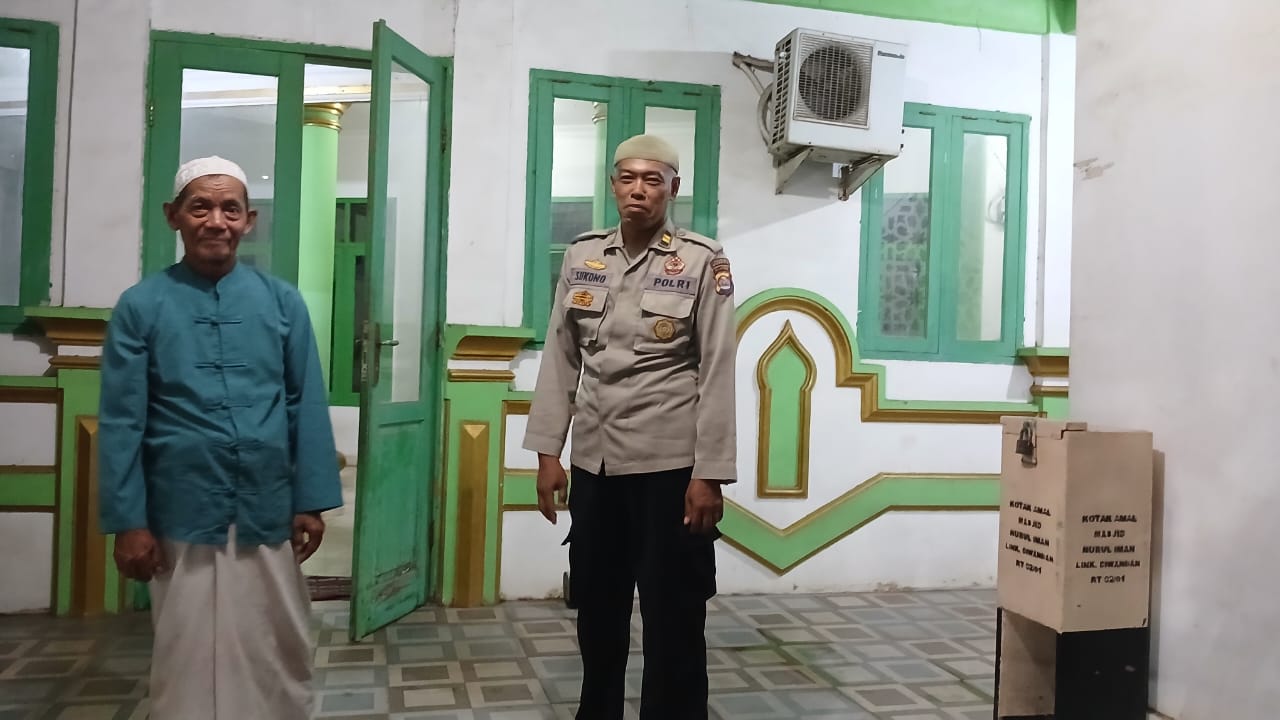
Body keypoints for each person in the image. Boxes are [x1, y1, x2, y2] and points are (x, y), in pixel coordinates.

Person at [98, 156, 342, 720]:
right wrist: (129, 522)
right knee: (185, 647)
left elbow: (305, 402)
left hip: (266, 504)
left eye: (230, 209)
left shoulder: (282, 302)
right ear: (173, 216)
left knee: (275, 643)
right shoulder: (141, 305)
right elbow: (122, 419)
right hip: (180, 505)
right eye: (200, 207)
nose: (216, 221)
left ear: (248, 221)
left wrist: (310, 500)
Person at [523, 134, 738, 719]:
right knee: (598, 608)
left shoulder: (702, 260)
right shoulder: (583, 256)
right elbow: (561, 355)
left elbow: (718, 366)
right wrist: (547, 453)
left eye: (652, 179)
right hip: (595, 466)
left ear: (673, 188)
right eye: (627, 178)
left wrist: (710, 474)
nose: (638, 190)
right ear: (613, 184)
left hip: (670, 469)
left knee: (674, 614)